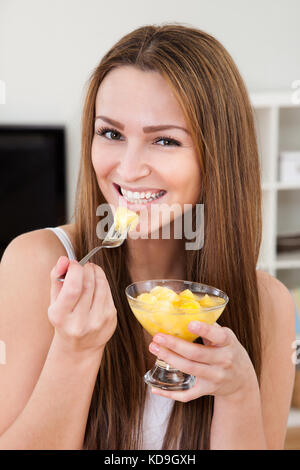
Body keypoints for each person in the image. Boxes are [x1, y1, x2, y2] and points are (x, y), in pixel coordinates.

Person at [0, 23, 296, 450]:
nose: (128, 168)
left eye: (164, 140)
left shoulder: (268, 305)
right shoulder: (37, 263)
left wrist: (237, 395)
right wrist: (75, 351)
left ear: (218, 156)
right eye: (111, 134)